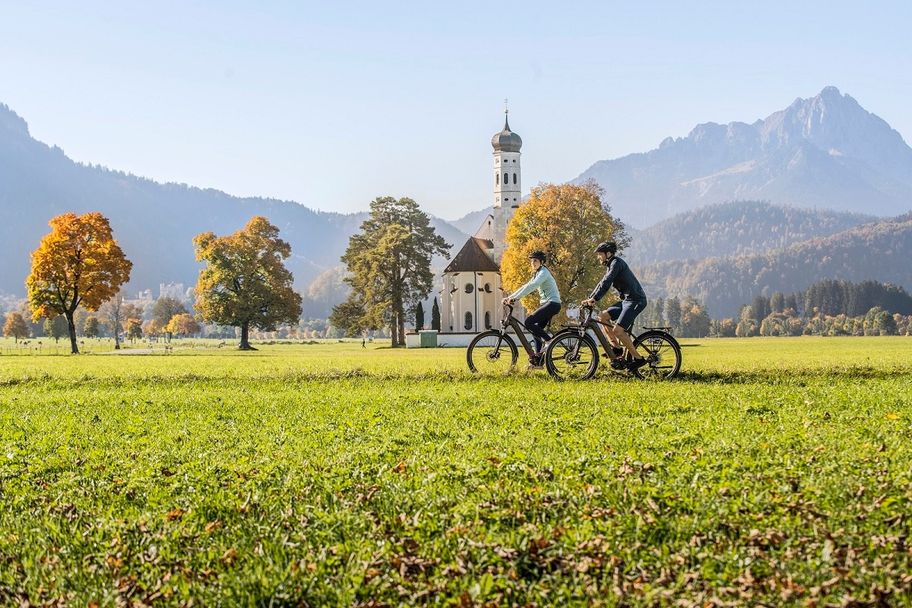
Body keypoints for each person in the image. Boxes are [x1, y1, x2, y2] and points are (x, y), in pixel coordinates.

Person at [581, 241, 648, 370]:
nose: (598, 257)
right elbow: (601, 283)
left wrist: (595, 299)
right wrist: (590, 298)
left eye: (600, 254)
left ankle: (638, 359)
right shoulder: (611, 264)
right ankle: (617, 349)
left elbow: (607, 282)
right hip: (627, 301)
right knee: (602, 317)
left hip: (636, 300)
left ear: (608, 253)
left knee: (618, 330)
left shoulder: (616, 263)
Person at [503, 250, 562, 367]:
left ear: (542, 262)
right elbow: (526, 286)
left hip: (552, 304)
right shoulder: (537, 273)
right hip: (548, 304)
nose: (533, 263)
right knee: (536, 330)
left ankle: (549, 341)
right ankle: (538, 361)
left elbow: (533, 286)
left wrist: (516, 298)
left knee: (528, 322)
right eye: (531, 261)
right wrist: (511, 297)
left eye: (535, 261)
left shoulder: (543, 273)